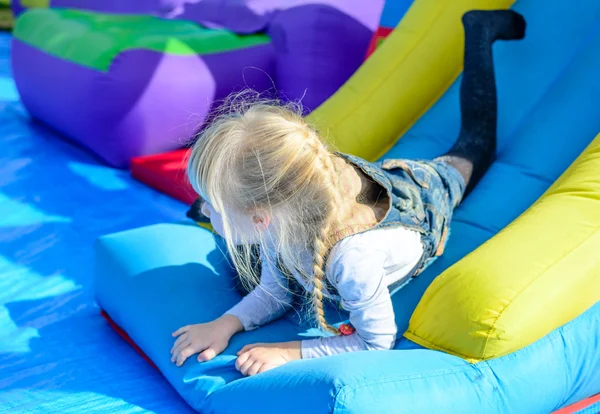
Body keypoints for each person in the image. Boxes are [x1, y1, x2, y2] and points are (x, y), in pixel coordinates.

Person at [170, 9, 526, 376]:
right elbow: (275, 289)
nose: (207, 211)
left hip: (424, 198)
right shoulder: (281, 211)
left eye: (214, 206)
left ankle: (479, 32)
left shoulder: (352, 260)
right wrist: (225, 324)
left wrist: (291, 352)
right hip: (348, 191)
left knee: (474, 147)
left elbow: (377, 341)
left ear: (261, 216)